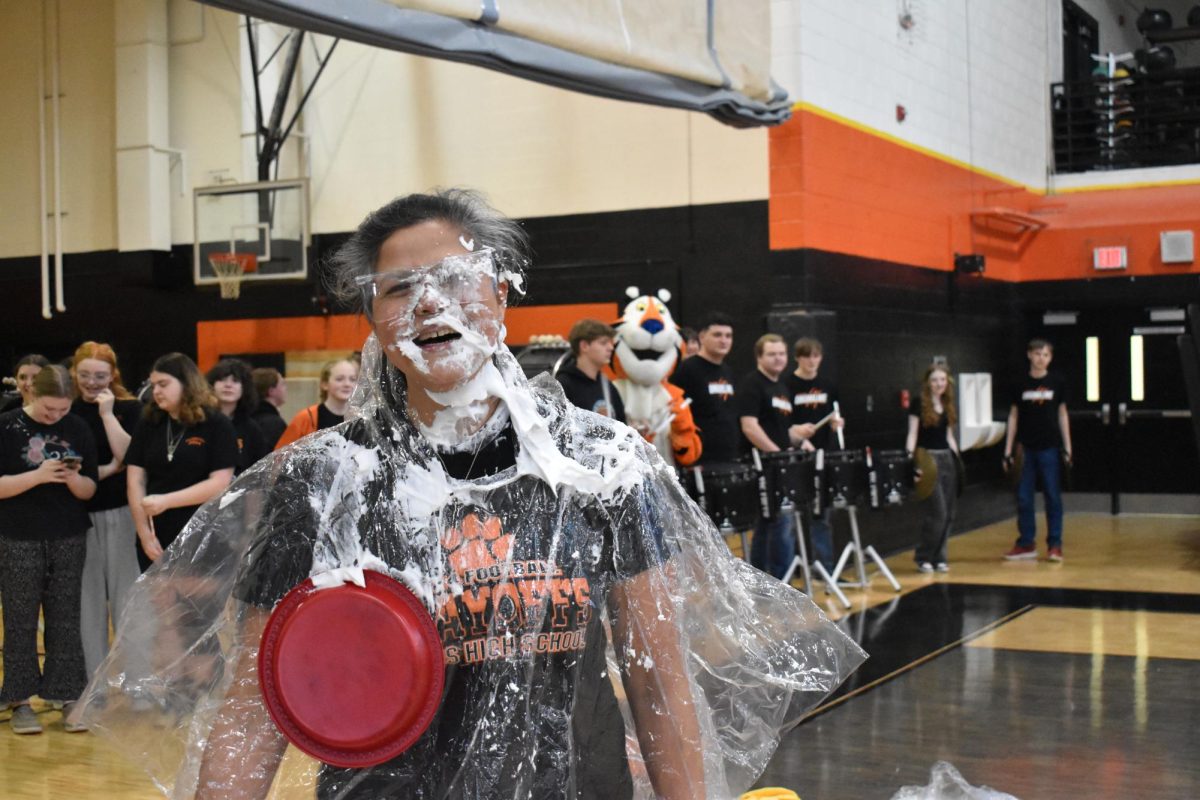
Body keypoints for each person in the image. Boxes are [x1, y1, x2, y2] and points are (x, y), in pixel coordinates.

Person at [75, 189, 864, 799]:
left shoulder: (600, 466)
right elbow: (252, 706)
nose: (429, 303)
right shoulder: (320, 481)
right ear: (374, 320)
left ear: (502, 296)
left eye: (455, 278)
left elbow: (659, 679)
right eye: (398, 288)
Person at [0, 365, 98, 734]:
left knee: (65, 617)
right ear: (30, 395)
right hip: (17, 534)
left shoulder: (78, 427)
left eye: (61, 410)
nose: (55, 417)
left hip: (68, 533)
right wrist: (38, 476)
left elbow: (90, 490)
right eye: (47, 410)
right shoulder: (7, 426)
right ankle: (20, 699)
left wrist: (73, 478)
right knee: (20, 618)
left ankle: (68, 694)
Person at [69, 342, 144, 678]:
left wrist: (107, 414)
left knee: (128, 599)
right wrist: (106, 469)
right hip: (77, 517)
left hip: (121, 512)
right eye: (84, 375)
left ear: (113, 375)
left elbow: (131, 456)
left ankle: (135, 683)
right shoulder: (65, 410)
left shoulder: (129, 408)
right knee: (88, 604)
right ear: (74, 373)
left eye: (99, 375)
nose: (91, 382)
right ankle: (93, 683)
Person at [125, 353, 237, 571]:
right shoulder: (149, 422)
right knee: (159, 601)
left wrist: (167, 501)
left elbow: (219, 483)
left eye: (163, 384)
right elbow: (135, 480)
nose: (156, 391)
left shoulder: (216, 424)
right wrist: (144, 534)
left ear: (186, 384)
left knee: (197, 602)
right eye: (153, 385)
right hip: (156, 534)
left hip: (203, 532)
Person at [738, 334, 809, 579]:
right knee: (775, 524)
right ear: (759, 357)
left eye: (781, 354)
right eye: (772, 354)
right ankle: (776, 580)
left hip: (780, 465)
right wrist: (776, 454)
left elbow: (783, 429)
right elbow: (749, 426)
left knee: (774, 524)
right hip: (763, 466)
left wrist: (802, 437)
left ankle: (773, 580)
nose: (778, 358)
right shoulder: (752, 384)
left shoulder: (781, 388)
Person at [1003, 339, 1072, 562]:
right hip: (1025, 447)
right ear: (1029, 355)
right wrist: (1008, 449)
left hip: (1049, 447)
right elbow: (1014, 416)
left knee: (1052, 496)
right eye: (1037, 354)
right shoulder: (1018, 383)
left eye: (1045, 355)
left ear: (1050, 358)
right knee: (1023, 497)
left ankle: (1055, 545)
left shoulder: (1057, 381)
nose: (1041, 358)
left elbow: (1062, 414)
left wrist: (1068, 446)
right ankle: (1026, 543)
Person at [785, 337, 844, 570]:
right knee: (794, 516)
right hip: (797, 456)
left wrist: (837, 424)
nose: (812, 360)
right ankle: (795, 568)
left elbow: (836, 416)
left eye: (816, 356)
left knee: (822, 514)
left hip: (823, 456)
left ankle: (824, 568)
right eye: (807, 356)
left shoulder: (829, 386)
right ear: (798, 357)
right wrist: (799, 439)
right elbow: (784, 423)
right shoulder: (787, 385)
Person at [906, 364, 960, 573]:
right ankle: (923, 556)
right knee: (937, 512)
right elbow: (912, 434)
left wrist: (957, 461)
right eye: (935, 380)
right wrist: (911, 462)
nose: (939, 384)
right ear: (928, 382)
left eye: (943, 380)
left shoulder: (947, 404)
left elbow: (949, 437)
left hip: (947, 458)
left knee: (949, 513)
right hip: (927, 459)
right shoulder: (919, 404)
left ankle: (939, 557)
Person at [670, 312, 739, 466]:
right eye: (717, 335)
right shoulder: (687, 369)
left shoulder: (727, 370)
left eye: (728, 336)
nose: (724, 340)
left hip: (728, 457)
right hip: (699, 460)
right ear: (702, 337)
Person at [274, 358, 359, 449]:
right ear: (324, 384)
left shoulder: (361, 418)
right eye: (339, 379)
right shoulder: (306, 418)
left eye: (352, 379)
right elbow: (280, 456)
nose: (347, 384)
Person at [206, 358, 270, 474]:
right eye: (222, 380)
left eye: (235, 381)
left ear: (244, 388)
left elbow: (260, 471)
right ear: (212, 385)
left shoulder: (252, 429)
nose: (228, 385)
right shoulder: (201, 422)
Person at [555, 318, 626, 422]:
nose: (611, 348)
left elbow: (621, 428)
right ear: (584, 346)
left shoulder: (608, 387)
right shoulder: (563, 386)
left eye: (610, 343)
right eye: (603, 343)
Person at [250, 367, 288, 448]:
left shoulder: (248, 417)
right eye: (282, 384)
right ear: (271, 391)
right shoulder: (274, 423)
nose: (286, 388)